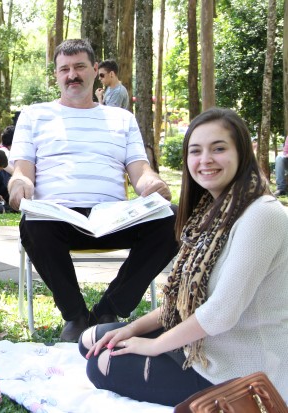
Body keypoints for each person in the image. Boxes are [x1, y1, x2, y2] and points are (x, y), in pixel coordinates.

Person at [81, 108, 288, 406]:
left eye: (218, 148)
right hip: (204, 345)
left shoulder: (262, 215)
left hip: (241, 369)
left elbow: (220, 312)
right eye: (196, 151)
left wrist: (153, 347)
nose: (205, 160)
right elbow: (179, 302)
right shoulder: (211, 212)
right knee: (92, 339)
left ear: (242, 153)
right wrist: (132, 329)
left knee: (98, 364)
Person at [8, 39, 178, 342]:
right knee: (33, 225)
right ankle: (75, 316)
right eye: (65, 69)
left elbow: (139, 170)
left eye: (80, 67)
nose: (72, 75)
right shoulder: (34, 115)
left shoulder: (121, 118)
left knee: (174, 219)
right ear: (57, 75)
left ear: (95, 70)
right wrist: (20, 184)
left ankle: (108, 311)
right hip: (58, 218)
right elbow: (23, 169)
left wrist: (153, 183)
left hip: (114, 218)